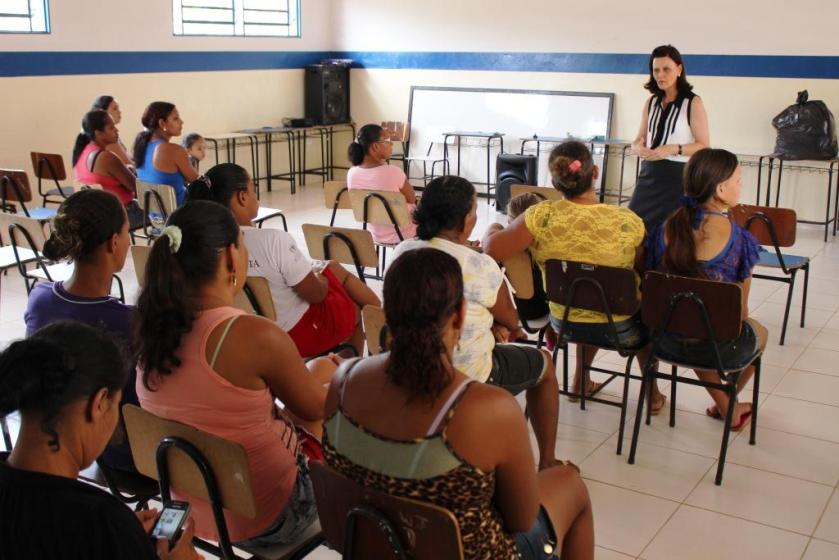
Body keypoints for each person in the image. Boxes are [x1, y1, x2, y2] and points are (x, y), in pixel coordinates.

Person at [323, 248, 594, 560]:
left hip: (375, 548)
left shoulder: (343, 381)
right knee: (571, 484)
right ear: (460, 317)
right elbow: (521, 519)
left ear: (385, 314)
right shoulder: (489, 408)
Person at [134, 200, 336, 545]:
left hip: (192, 507)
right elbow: (315, 409)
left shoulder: (149, 329)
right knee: (330, 393)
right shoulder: (254, 335)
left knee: (319, 368)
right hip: (272, 515)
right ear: (230, 256)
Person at [483, 141, 666, 412]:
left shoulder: (540, 215)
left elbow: (492, 249)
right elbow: (647, 273)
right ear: (595, 173)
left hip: (563, 322)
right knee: (631, 307)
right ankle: (652, 394)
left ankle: (581, 380)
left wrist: (492, 228)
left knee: (584, 297)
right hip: (623, 330)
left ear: (556, 186)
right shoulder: (627, 220)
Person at [393, 176, 561, 470]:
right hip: (470, 373)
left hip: (409, 364)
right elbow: (510, 318)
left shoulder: (402, 251)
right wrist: (494, 324)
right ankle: (547, 460)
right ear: (463, 221)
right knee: (545, 363)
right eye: (473, 211)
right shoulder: (480, 265)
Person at [0, 321, 199, 559]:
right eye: (115, 406)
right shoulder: (99, 521)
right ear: (100, 403)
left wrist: (125, 536)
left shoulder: (102, 524)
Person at [186, 163, 381, 357]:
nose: (256, 195)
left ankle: (380, 317)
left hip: (241, 333)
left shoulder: (201, 245)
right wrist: (321, 279)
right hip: (292, 334)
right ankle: (359, 358)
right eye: (254, 189)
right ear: (242, 197)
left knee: (333, 267)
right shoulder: (272, 240)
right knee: (353, 306)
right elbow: (316, 295)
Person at [644, 148, 768, 431]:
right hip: (713, 346)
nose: (741, 185)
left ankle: (726, 404)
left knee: (693, 323)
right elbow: (739, 314)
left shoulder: (664, 227)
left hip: (661, 341)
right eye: (739, 180)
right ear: (721, 189)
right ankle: (729, 404)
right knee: (756, 333)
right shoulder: (739, 240)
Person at [24, 188, 139, 472]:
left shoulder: (40, 298)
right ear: (114, 242)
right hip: (123, 454)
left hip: (55, 447)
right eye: (127, 232)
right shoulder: (129, 321)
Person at [629, 44, 710, 232]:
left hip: (678, 178)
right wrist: (638, 148)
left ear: (679, 70)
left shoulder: (693, 102)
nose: (660, 75)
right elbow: (637, 140)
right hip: (649, 175)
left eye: (666, 69)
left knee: (670, 234)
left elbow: (704, 146)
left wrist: (674, 148)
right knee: (635, 228)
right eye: (656, 70)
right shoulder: (651, 102)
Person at [346, 123, 417, 244]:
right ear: (375, 147)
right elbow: (412, 199)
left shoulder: (352, 173)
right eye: (388, 140)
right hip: (405, 233)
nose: (391, 144)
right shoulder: (393, 172)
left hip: (374, 234)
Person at [72, 109, 143, 229]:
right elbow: (136, 187)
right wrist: (131, 171)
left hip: (96, 216)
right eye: (111, 128)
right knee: (166, 212)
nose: (116, 130)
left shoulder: (83, 152)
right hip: (121, 215)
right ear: (98, 133)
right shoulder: (106, 157)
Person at [134, 101, 198, 207]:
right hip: (179, 212)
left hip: (153, 214)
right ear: (162, 123)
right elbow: (197, 182)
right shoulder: (173, 150)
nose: (181, 122)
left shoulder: (142, 145)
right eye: (176, 118)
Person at [92, 95, 134, 168]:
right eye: (115, 109)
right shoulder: (108, 139)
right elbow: (131, 167)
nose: (119, 112)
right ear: (103, 113)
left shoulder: (108, 135)